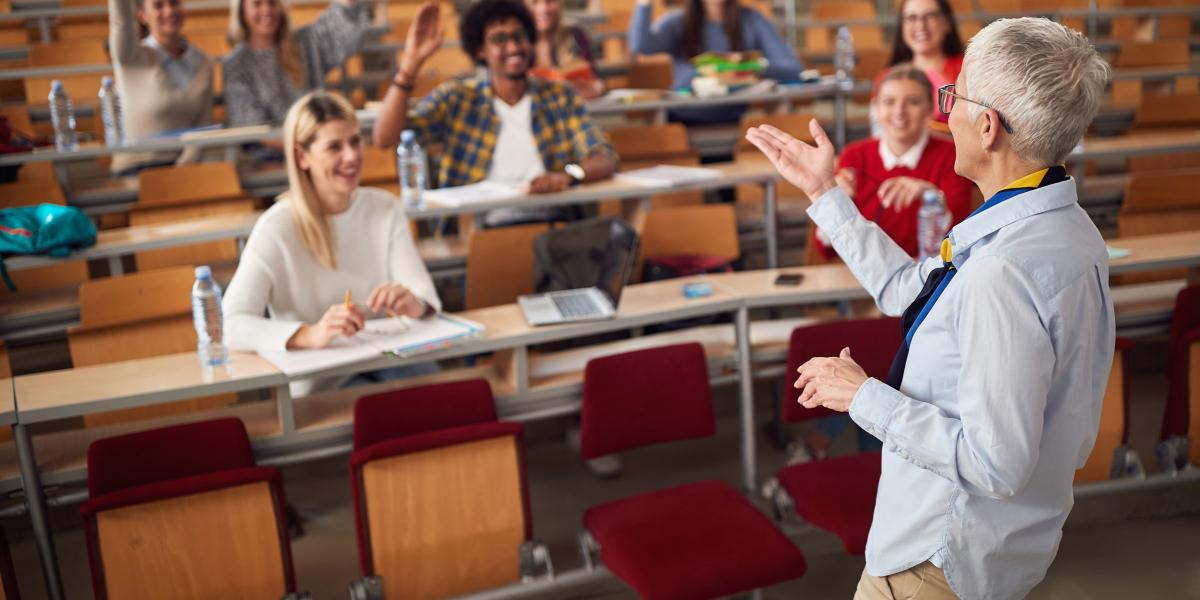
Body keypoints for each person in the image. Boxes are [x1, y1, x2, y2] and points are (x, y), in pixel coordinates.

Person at [747, 17, 1113, 600]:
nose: (947, 112)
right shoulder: (1058, 226)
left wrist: (861, 396)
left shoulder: (1003, 271)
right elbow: (905, 285)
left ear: (987, 126)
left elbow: (995, 464)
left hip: (935, 560)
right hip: (996, 547)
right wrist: (825, 195)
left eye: (954, 96)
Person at [224, 91, 441, 397]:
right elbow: (231, 325)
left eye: (355, 141)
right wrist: (309, 334)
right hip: (323, 378)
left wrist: (413, 304)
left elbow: (427, 298)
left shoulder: (384, 208)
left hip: (387, 362)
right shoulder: (276, 227)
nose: (351, 156)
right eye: (334, 147)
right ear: (302, 157)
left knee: (445, 394)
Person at [372, 0, 618, 227]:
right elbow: (385, 137)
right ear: (480, 50)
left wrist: (569, 176)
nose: (513, 47)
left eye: (519, 37)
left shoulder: (559, 96)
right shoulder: (458, 98)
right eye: (499, 39)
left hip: (553, 226)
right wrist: (410, 64)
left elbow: (604, 156)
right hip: (482, 230)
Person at [812, 65, 973, 263]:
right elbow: (825, 249)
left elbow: (963, 240)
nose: (899, 112)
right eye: (889, 102)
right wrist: (835, 203)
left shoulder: (952, 155)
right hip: (866, 280)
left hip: (931, 281)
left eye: (912, 102)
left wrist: (931, 197)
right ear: (876, 109)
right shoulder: (853, 157)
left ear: (930, 108)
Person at [628, 0, 802, 123]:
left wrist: (747, 67)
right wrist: (644, 3)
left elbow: (793, 68)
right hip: (683, 119)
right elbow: (641, 46)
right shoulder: (677, 21)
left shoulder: (752, 19)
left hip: (734, 119)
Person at [223, 0, 383, 129]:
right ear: (241, 11)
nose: (266, 10)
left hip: (318, 142)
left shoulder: (304, 42)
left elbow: (339, 29)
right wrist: (304, 145)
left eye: (272, 3)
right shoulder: (236, 64)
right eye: (257, 4)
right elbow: (250, 126)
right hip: (269, 155)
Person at [109, 0, 215, 175]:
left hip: (184, 169)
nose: (169, 11)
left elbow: (203, 124)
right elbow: (121, 23)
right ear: (142, 15)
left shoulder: (203, 61)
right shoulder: (131, 57)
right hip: (136, 169)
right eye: (158, 5)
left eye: (175, 3)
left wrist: (181, 170)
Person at [882, 0, 965, 124]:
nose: (921, 25)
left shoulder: (968, 69)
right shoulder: (886, 78)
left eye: (930, 16)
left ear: (947, 23)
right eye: (911, 17)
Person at [526, 0, 605, 99]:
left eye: (550, 1)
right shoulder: (519, 41)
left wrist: (596, 88)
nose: (543, 9)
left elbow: (597, 80)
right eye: (535, 2)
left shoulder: (575, 34)